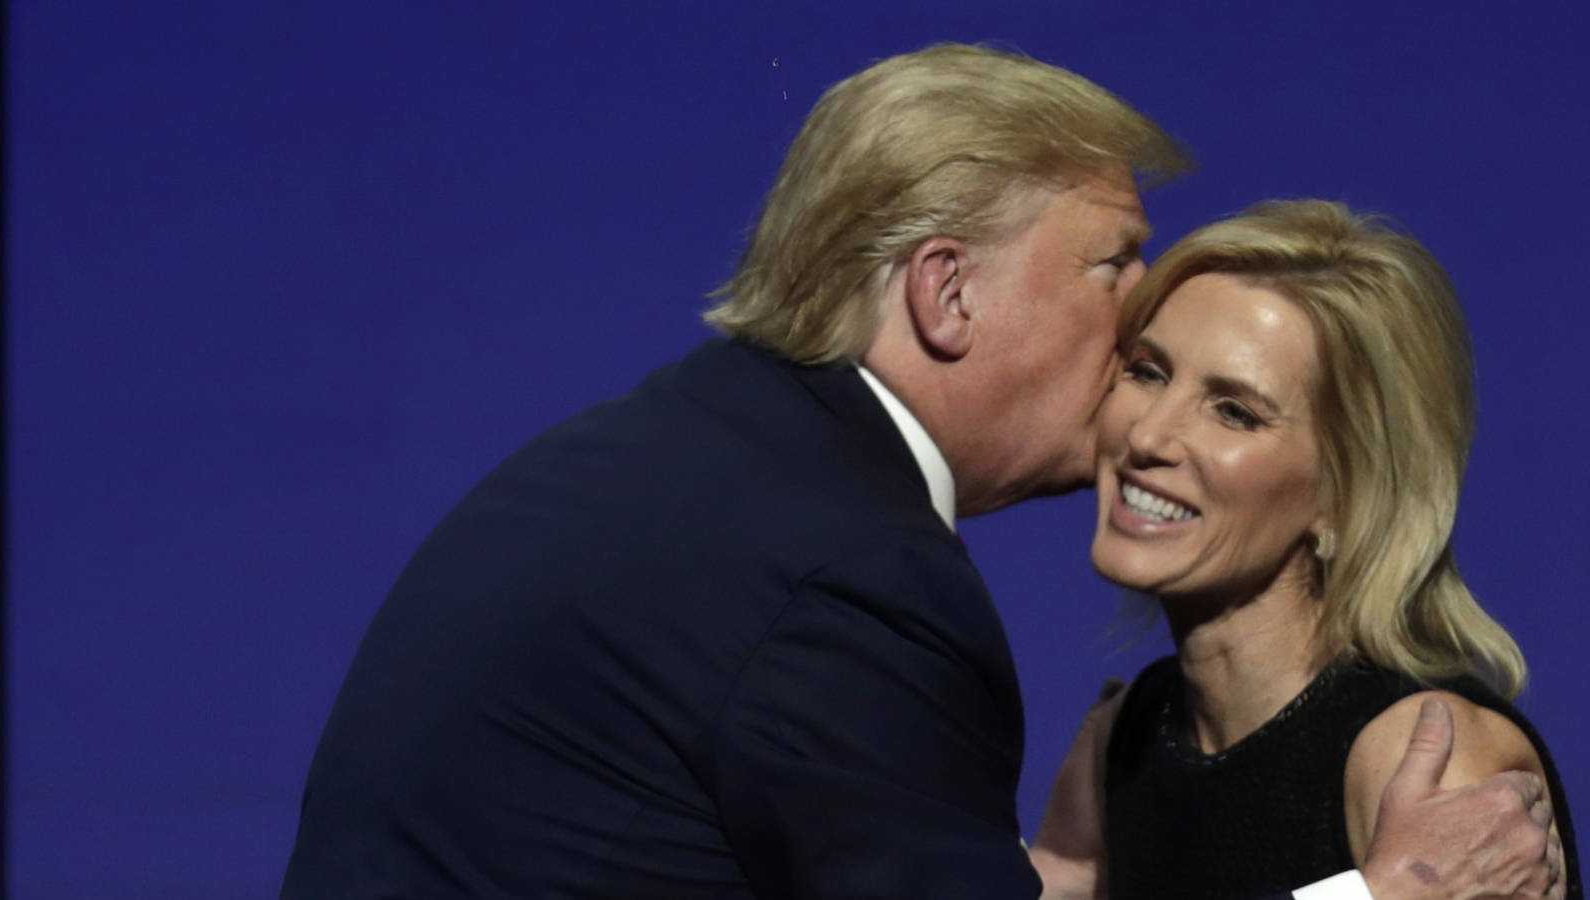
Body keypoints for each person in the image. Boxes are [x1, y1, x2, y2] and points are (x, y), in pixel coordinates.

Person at [282, 46, 1557, 899]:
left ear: (1348, 485)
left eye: (1231, 406)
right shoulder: (854, 576)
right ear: (947, 291)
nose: (1139, 395)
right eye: (1119, 276)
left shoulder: (1432, 760)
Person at [1029, 200, 1576, 900]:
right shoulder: (1122, 741)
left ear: (1347, 499)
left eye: (1235, 411)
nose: (1148, 438)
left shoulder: (1431, 756)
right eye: (1148, 372)